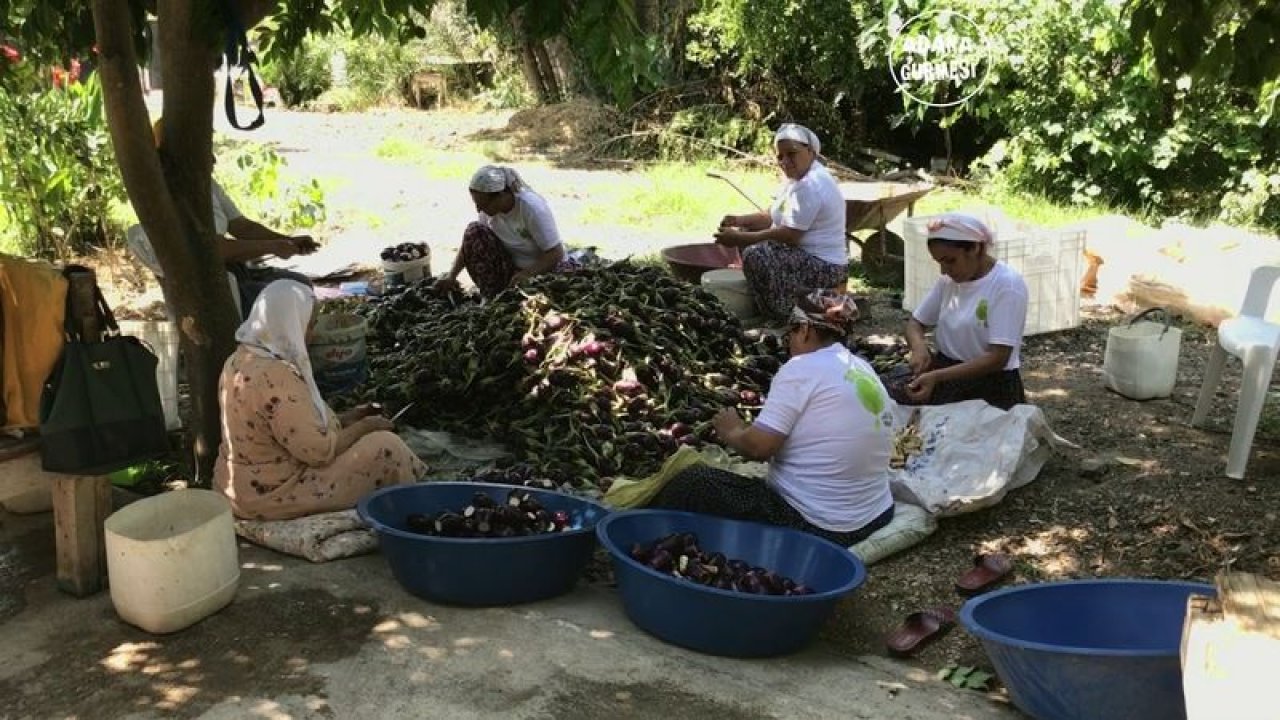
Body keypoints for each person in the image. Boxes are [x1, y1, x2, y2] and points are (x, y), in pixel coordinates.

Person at [649, 290, 894, 546]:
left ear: (805, 330)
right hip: (876, 514)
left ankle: (648, 538)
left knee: (693, 482)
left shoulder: (800, 368)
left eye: (791, 332)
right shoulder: (861, 367)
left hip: (820, 525)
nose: (788, 341)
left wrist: (731, 430)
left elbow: (758, 449)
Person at [213, 280, 426, 521]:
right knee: (386, 447)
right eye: (310, 324)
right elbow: (319, 452)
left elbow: (287, 428)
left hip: (240, 488)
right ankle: (411, 515)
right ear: (290, 322)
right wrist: (366, 427)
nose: (312, 334)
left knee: (372, 440)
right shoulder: (278, 377)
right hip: (271, 494)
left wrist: (348, 418)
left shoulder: (239, 359)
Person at [150, 117, 318, 312]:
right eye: (205, 151)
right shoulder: (170, 196)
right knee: (294, 298)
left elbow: (241, 226)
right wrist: (272, 246)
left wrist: (289, 241)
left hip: (237, 273)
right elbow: (214, 250)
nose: (213, 159)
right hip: (214, 286)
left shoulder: (207, 185)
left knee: (300, 284)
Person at [713, 124, 849, 321]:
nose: (784, 161)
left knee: (755, 253)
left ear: (810, 152)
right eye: (780, 156)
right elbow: (771, 215)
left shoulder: (811, 184)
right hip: (805, 256)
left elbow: (790, 235)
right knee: (748, 235)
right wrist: (739, 221)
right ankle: (770, 302)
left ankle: (782, 314)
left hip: (826, 267)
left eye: (791, 154)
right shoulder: (795, 180)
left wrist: (741, 238)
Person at [902, 212, 1029, 410]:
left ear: (975, 248)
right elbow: (915, 323)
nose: (944, 271)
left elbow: (998, 358)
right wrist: (918, 347)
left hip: (990, 386)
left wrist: (937, 376)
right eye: (939, 263)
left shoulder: (1006, 285)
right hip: (946, 374)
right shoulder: (949, 281)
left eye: (950, 261)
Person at [436, 165, 573, 298]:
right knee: (474, 231)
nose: (479, 210)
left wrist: (527, 274)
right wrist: (452, 275)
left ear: (501, 195)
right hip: (513, 268)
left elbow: (556, 253)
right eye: (477, 204)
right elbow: (469, 245)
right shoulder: (488, 212)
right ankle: (491, 296)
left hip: (544, 269)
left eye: (483, 205)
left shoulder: (531, 208)